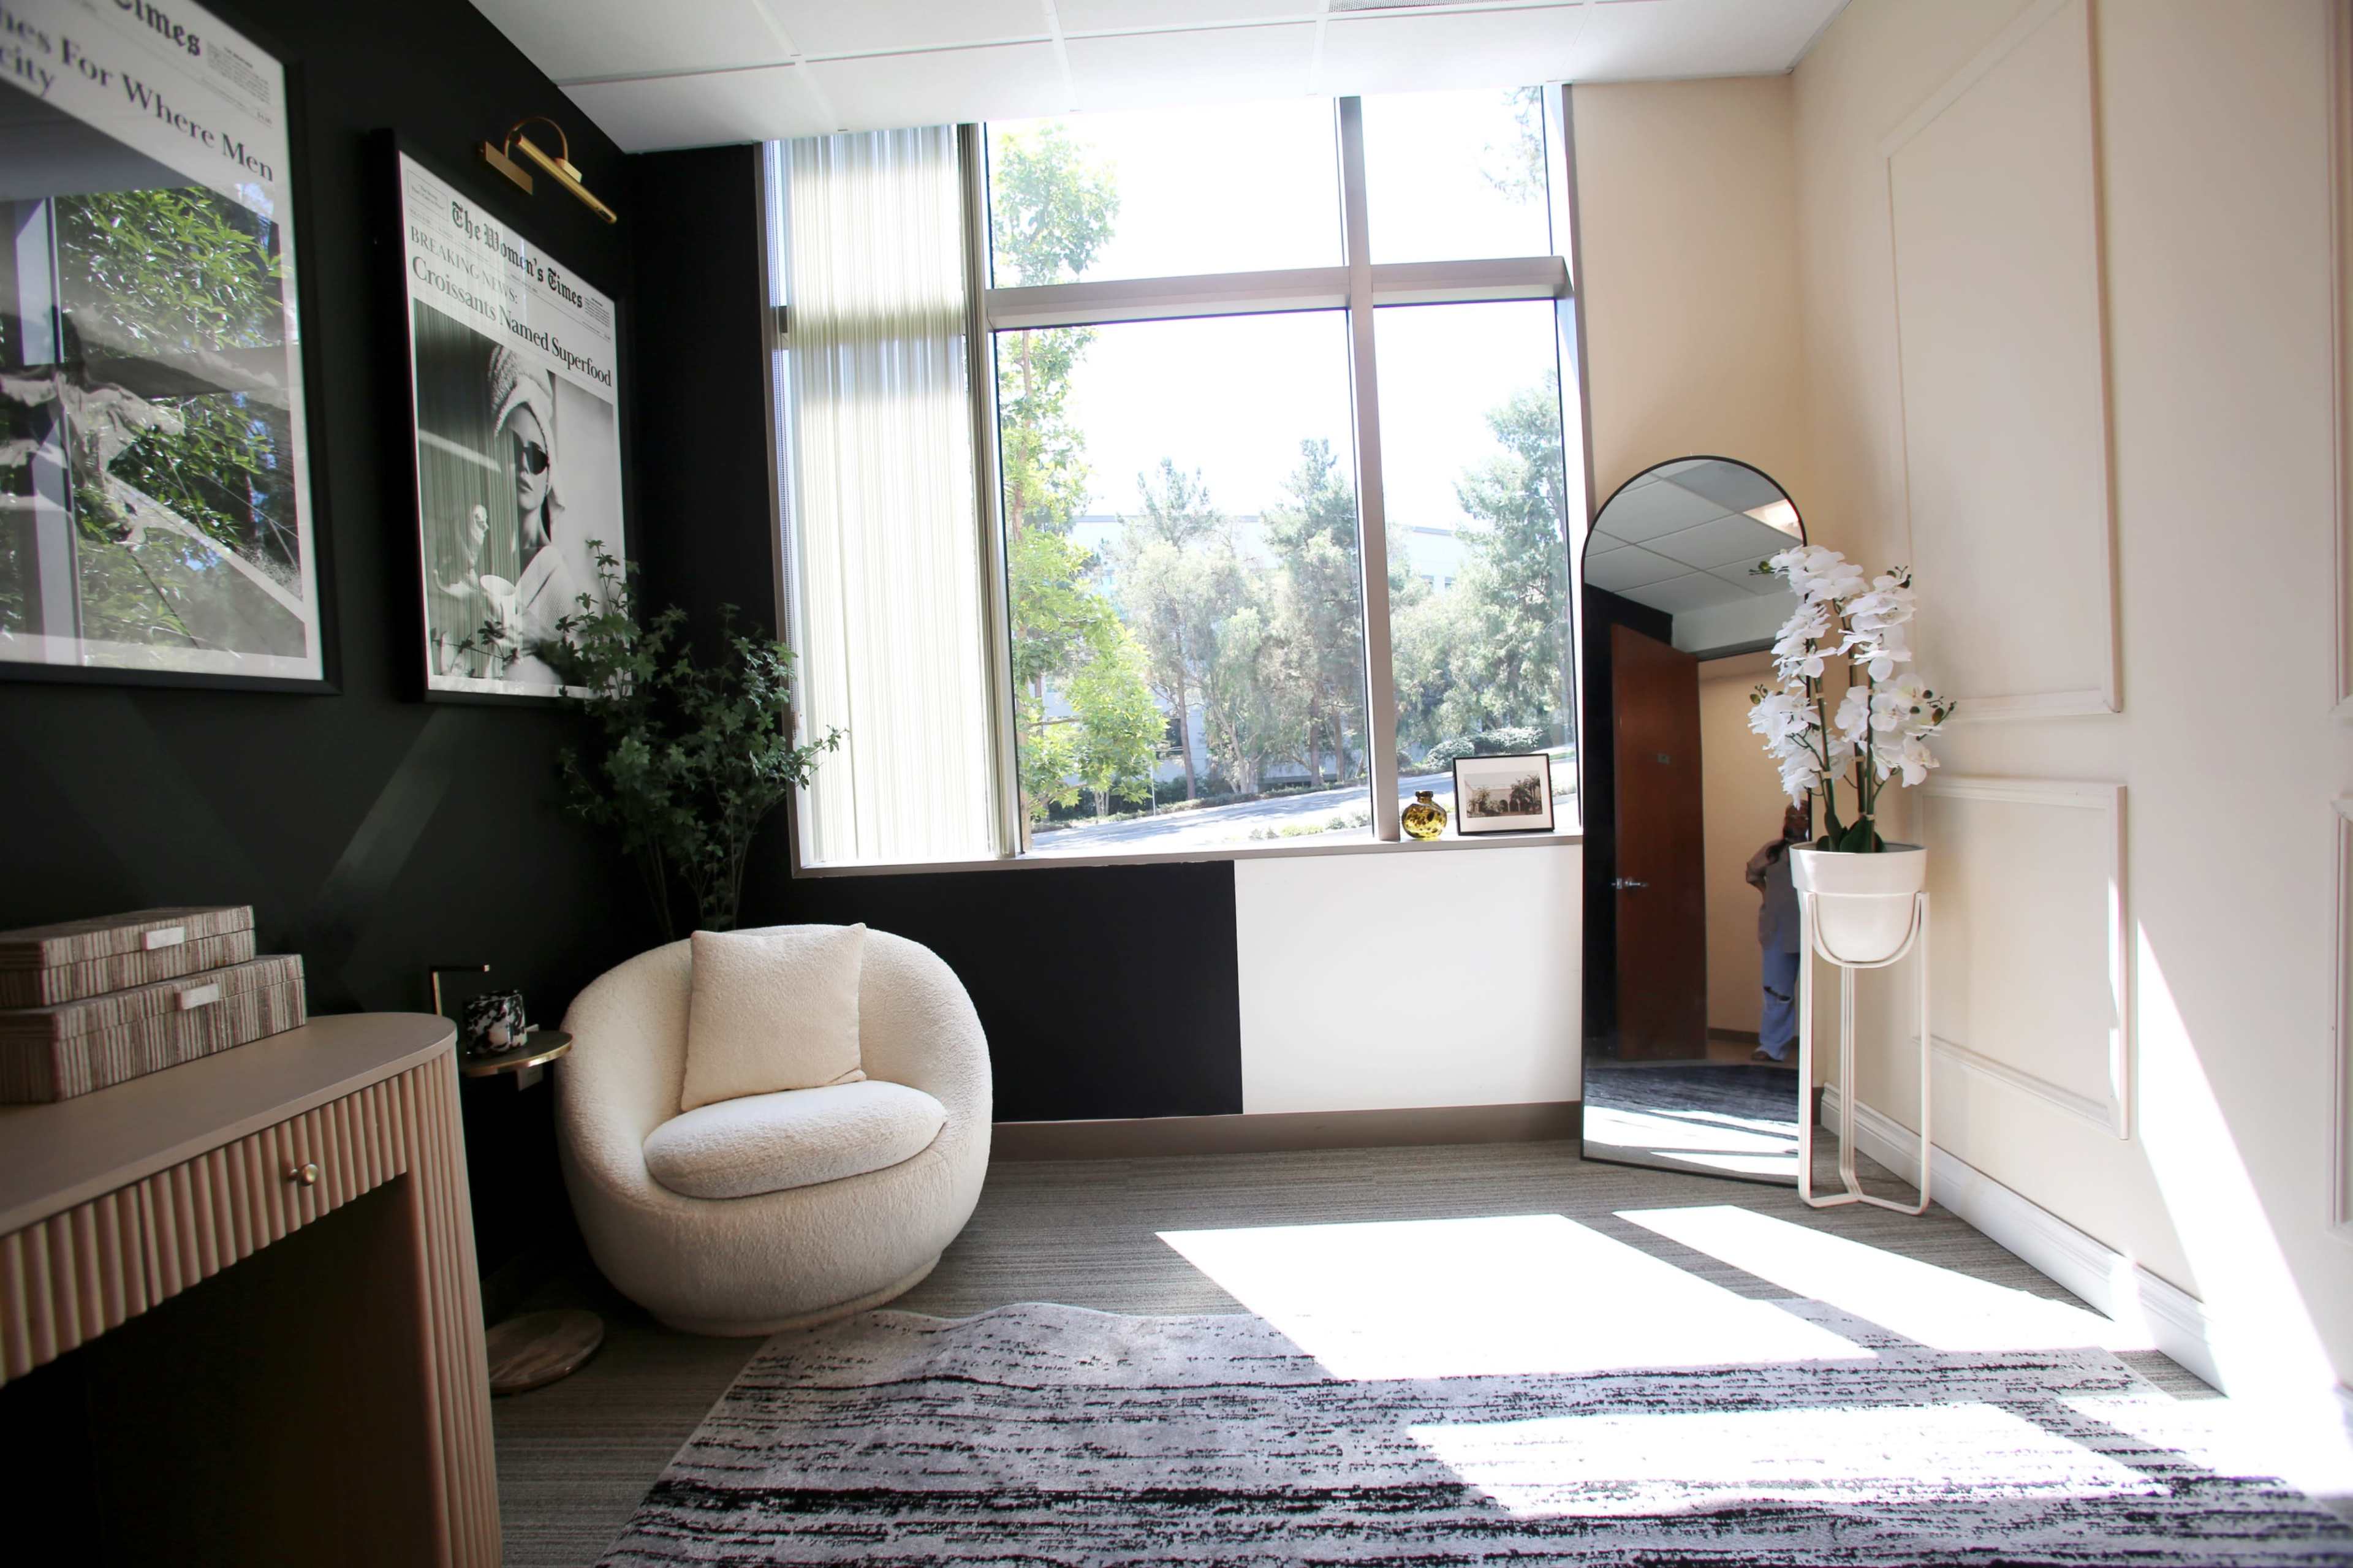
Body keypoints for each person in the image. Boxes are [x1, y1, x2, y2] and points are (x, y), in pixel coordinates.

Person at [1745, 798, 1813, 1065]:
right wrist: (1767, 895)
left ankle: (1815, 1053)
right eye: (1791, 816)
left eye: (1803, 816)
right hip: (1777, 929)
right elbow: (1752, 873)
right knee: (1777, 991)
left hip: (1810, 929)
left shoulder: (1818, 849)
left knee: (1816, 993)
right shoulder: (1773, 851)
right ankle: (1772, 1046)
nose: (1796, 821)